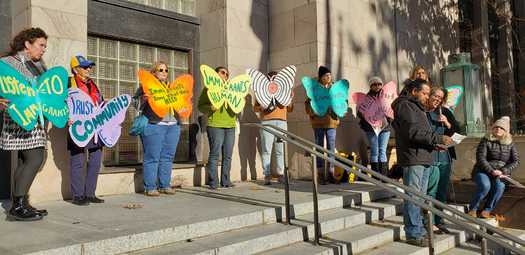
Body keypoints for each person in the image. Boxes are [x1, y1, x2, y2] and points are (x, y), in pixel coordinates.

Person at [391, 79, 453, 246]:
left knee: (419, 198)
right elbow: (412, 132)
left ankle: (418, 228)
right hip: (414, 158)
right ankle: (413, 232)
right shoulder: (405, 105)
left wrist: (435, 144)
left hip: (424, 156)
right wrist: (438, 138)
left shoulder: (417, 108)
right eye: (425, 93)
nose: (427, 96)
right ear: (413, 92)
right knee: (413, 197)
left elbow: (421, 134)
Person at [0, 27, 50, 221]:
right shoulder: (7, 63)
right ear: (27, 44)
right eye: (41, 45)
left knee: (24, 161)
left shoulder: (39, 65)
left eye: (45, 45)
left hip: (36, 120)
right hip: (17, 117)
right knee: (35, 158)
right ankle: (18, 206)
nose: (44, 49)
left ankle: (21, 203)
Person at [135, 62, 181, 196]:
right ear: (153, 72)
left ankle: (165, 185)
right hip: (154, 125)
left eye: (166, 70)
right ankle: (150, 187)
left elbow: (181, 102)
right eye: (160, 70)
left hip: (173, 125)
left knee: (167, 156)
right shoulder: (146, 86)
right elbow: (135, 103)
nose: (164, 72)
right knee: (152, 156)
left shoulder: (172, 87)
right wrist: (143, 99)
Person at [67, 55, 105, 205]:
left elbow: (99, 103)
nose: (89, 69)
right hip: (78, 128)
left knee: (95, 161)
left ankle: (90, 193)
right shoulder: (68, 83)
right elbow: (59, 103)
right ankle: (77, 196)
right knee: (78, 161)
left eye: (89, 66)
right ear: (76, 69)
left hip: (96, 128)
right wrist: (65, 118)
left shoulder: (93, 85)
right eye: (85, 67)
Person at [468, 116, 519, 219]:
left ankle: (487, 210)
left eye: (501, 128)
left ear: (505, 131)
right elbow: (481, 158)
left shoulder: (510, 144)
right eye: (496, 127)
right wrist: (491, 171)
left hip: (500, 173)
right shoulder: (485, 140)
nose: (498, 129)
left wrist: (503, 170)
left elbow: (515, 161)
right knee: (485, 185)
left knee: (499, 187)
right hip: (482, 170)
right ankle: (473, 209)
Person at [424, 87, 459, 234]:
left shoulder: (444, 112)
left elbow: (458, 130)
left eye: (440, 97)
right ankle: (428, 221)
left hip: (445, 156)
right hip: (430, 155)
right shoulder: (422, 112)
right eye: (435, 96)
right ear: (429, 95)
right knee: (430, 190)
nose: (437, 99)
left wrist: (448, 124)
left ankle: (440, 220)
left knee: (442, 191)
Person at [198, 66, 237, 189]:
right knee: (215, 154)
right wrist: (210, 108)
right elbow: (200, 106)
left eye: (226, 74)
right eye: (222, 72)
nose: (225, 75)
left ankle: (226, 181)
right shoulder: (209, 88)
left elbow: (237, 104)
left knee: (228, 155)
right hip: (215, 125)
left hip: (230, 125)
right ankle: (213, 182)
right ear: (215, 74)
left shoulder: (232, 90)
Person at [254, 71, 293, 185]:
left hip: (282, 122)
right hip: (267, 122)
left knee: (280, 150)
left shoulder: (285, 90)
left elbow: (290, 109)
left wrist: (290, 99)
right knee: (267, 150)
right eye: (271, 78)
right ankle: (267, 175)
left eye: (275, 78)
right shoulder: (262, 91)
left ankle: (281, 174)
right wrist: (261, 107)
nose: (273, 79)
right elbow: (255, 108)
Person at [305, 66, 342, 184]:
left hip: (331, 121)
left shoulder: (335, 88)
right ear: (321, 77)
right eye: (326, 75)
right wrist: (313, 112)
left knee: (331, 147)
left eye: (330, 75)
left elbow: (343, 101)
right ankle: (320, 174)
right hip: (318, 122)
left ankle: (331, 173)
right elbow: (307, 104)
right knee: (319, 148)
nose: (329, 77)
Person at [357, 76, 392, 177]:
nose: (377, 86)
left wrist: (390, 119)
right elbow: (360, 113)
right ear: (371, 86)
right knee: (374, 151)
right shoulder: (365, 98)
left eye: (379, 84)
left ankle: (384, 176)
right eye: (374, 84)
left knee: (382, 150)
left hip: (385, 128)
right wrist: (366, 115)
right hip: (371, 128)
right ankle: (376, 175)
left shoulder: (387, 96)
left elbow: (392, 109)